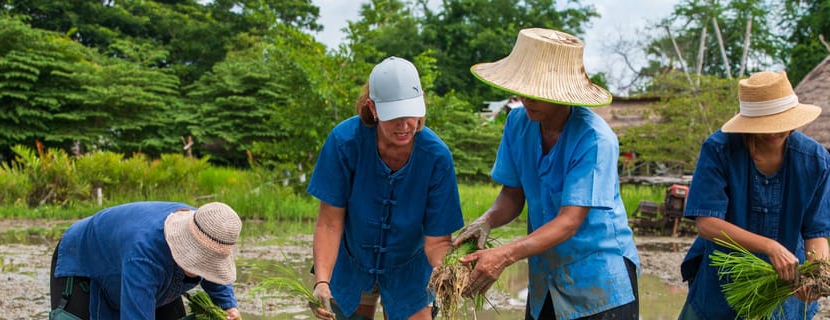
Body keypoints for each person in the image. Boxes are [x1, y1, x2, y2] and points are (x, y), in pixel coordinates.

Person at [451, 28, 640, 320]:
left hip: (598, 280)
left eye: (537, 89)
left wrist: (504, 254)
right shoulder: (517, 123)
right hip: (547, 277)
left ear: (562, 92)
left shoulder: (594, 139)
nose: (527, 98)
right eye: (523, 87)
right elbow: (513, 196)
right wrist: (487, 220)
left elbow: (569, 222)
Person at [307, 56, 464, 320]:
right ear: (374, 108)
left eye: (411, 115)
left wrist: (449, 276)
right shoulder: (345, 142)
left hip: (410, 266)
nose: (404, 126)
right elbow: (330, 223)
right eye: (394, 117)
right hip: (352, 261)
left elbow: (437, 240)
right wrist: (322, 281)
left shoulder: (436, 157)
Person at [677, 71, 830, 319]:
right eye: (765, 125)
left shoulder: (815, 160)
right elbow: (707, 224)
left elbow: (816, 232)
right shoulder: (719, 149)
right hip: (724, 284)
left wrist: (816, 274)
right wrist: (769, 246)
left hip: (785, 285)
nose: (775, 132)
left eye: (780, 123)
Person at [49, 201, 243, 320]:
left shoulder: (211, 226)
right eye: (198, 264)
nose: (202, 271)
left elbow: (211, 264)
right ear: (184, 249)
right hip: (84, 259)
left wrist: (228, 306)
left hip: (131, 256)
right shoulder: (144, 257)